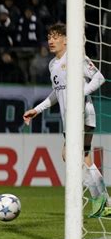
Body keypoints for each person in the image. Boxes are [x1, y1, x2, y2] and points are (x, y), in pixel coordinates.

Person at [23, 23, 110, 218]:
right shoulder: (53, 64)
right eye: (49, 37)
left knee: (71, 155)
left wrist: (80, 93)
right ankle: (104, 201)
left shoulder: (77, 57)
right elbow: (57, 92)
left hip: (82, 112)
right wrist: (37, 110)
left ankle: (101, 199)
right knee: (84, 157)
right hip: (69, 117)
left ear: (66, 39)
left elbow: (99, 78)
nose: (51, 41)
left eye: (55, 36)